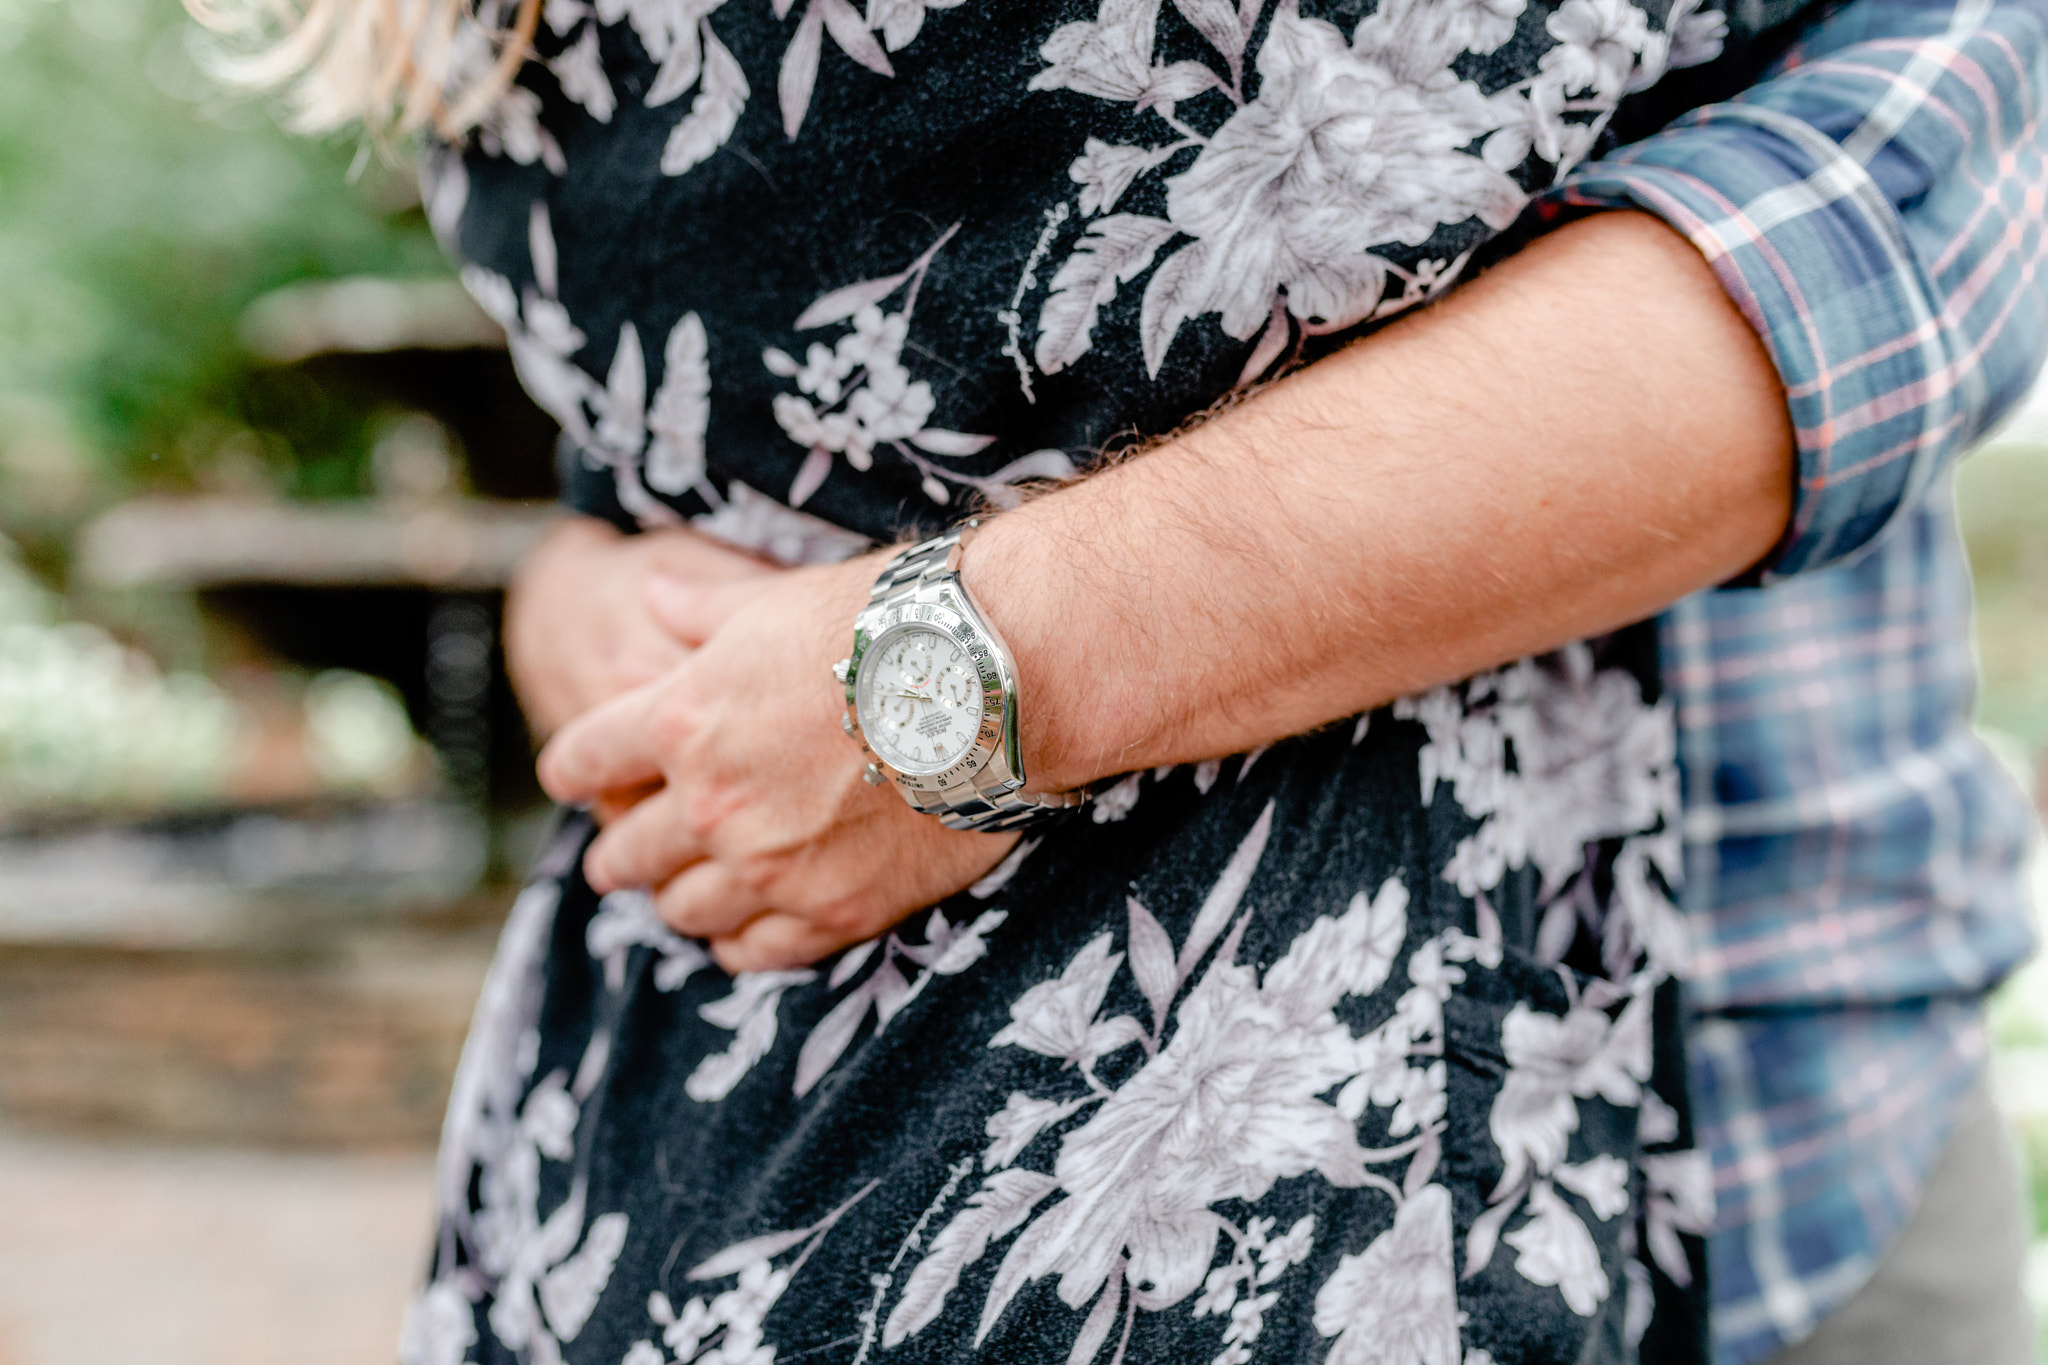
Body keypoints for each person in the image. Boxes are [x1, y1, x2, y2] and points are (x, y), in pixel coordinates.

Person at [206, 0, 2048, 1358]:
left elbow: (1892, 224)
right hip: (739, 1166)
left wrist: (943, 684)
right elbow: (694, 379)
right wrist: (583, 598)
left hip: (1754, 1078)